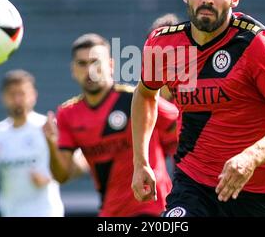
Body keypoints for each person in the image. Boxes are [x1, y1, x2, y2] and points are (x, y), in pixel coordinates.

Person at [131, 0, 265, 217]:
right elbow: (145, 95)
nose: (207, 0)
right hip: (192, 185)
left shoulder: (255, 44)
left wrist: (251, 157)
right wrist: (141, 161)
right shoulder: (163, 44)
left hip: (253, 192)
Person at [44, 33, 178, 216]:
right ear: (73, 70)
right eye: (82, 64)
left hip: (153, 207)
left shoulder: (136, 100)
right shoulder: (68, 114)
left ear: (111, 65)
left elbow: (181, 125)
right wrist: (51, 144)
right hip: (111, 211)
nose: (90, 70)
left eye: (95, 62)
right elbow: (63, 175)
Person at [0, 69, 65, 217]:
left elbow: (75, 163)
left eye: (22, 93)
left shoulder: (47, 127)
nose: (17, 99)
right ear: (3, 98)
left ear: (33, 95)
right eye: (12, 94)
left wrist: (49, 178)